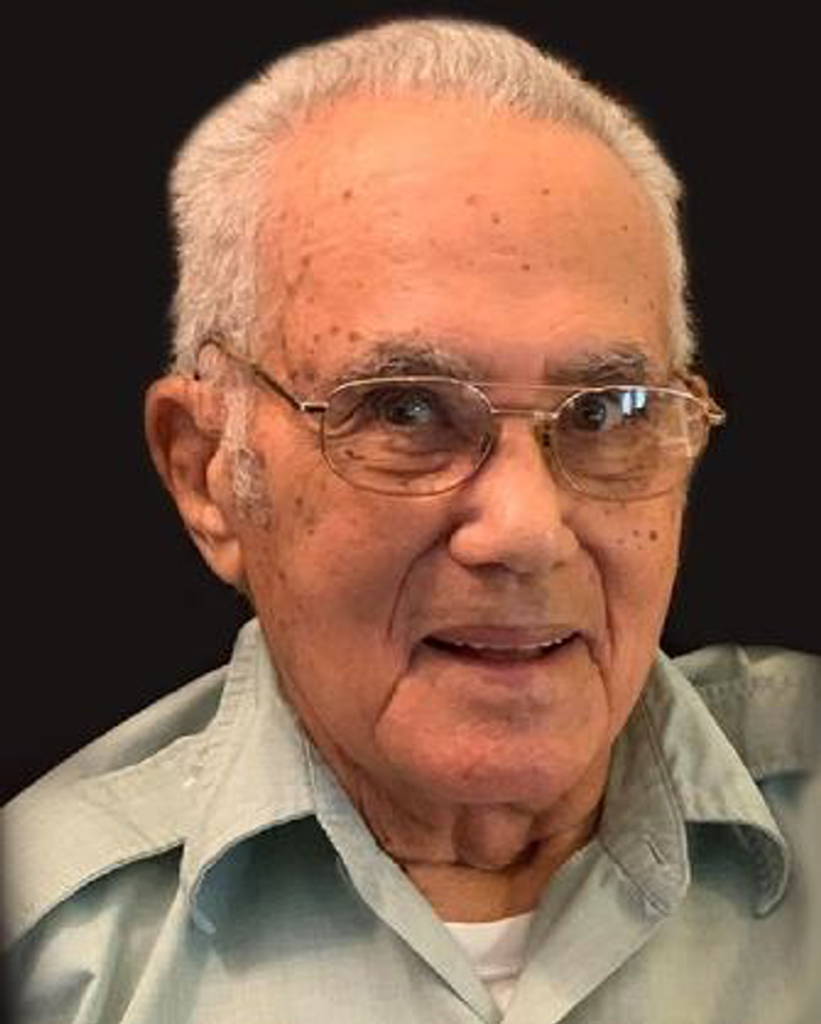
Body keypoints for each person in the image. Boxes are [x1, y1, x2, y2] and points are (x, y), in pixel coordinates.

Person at [4, 16, 819, 1023]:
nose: (525, 529)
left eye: (604, 412)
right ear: (209, 472)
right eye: (404, 411)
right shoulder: (48, 954)